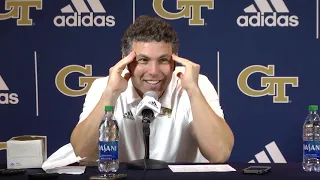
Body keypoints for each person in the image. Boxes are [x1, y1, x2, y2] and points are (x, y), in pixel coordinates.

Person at [70, 15, 234, 163]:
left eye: (163, 60)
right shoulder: (105, 87)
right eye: (143, 60)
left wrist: (193, 91)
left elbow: (219, 154)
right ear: (127, 61)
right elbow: (81, 152)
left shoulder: (195, 84)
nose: (154, 71)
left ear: (174, 61)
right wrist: (110, 95)